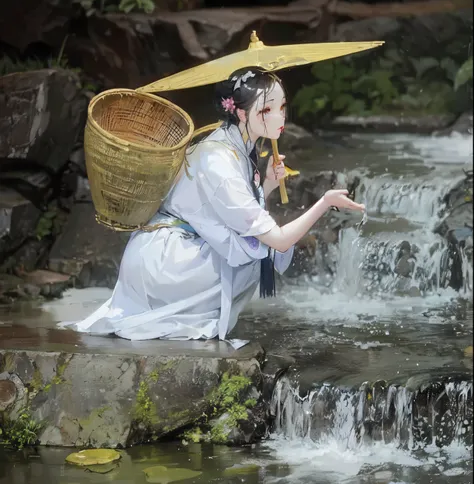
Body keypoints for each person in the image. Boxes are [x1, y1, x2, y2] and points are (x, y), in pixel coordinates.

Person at [71, 67, 365, 345]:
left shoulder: (234, 145)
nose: (279, 117)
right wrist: (325, 202)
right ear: (239, 112)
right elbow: (277, 238)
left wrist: (267, 186)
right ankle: (189, 313)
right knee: (257, 252)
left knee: (252, 247)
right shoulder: (219, 161)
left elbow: (234, 212)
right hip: (166, 264)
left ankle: (199, 309)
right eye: (266, 110)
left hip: (179, 250)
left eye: (282, 107)